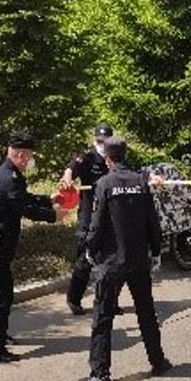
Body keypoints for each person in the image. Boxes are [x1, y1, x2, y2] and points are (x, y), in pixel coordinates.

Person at [79, 137, 171, 381]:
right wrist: (155, 251)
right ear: (125, 156)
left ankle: (100, 373)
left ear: (108, 159)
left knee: (103, 317)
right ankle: (158, 362)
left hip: (111, 263)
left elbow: (97, 224)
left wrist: (90, 250)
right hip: (138, 260)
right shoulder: (141, 182)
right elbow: (152, 220)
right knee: (146, 313)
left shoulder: (104, 184)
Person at [0, 131, 66, 362]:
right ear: (21, 155)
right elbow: (25, 208)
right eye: (30, 156)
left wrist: (48, 199)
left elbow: (23, 198)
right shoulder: (9, 178)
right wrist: (53, 216)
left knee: (4, 295)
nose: (31, 161)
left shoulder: (10, 174)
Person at [60, 122, 114, 315]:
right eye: (99, 141)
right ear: (94, 140)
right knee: (84, 259)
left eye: (106, 141)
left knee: (111, 261)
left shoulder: (116, 158)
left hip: (109, 216)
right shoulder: (87, 159)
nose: (102, 145)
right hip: (88, 216)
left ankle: (109, 301)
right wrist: (67, 177)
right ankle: (74, 299)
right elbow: (71, 168)